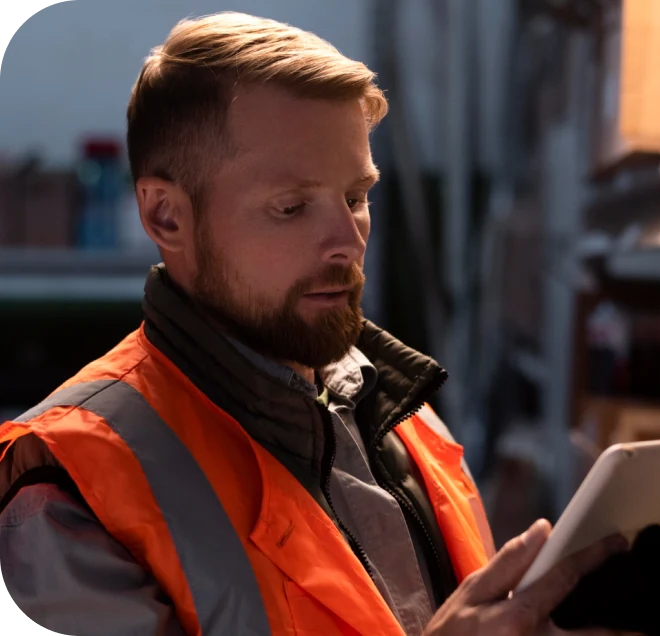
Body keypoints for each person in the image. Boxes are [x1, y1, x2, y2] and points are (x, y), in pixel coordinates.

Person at [0, 12, 628, 636]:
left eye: (356, 198)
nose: (346, 242)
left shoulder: (405, 423)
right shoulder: (67, 483)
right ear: (167, 216)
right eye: (292, 207)